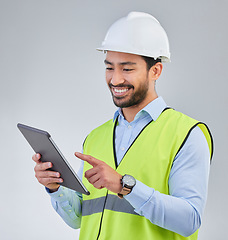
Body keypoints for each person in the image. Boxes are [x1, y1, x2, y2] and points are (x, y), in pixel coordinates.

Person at [32, 12, 213, 240]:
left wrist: (125, 186)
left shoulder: (187, 134)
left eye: (127, 69)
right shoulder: (96, 137)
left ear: (155, 70)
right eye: (109, 68)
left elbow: (189, 221)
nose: (116, 79)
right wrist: (56, 188)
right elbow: (78, 218)